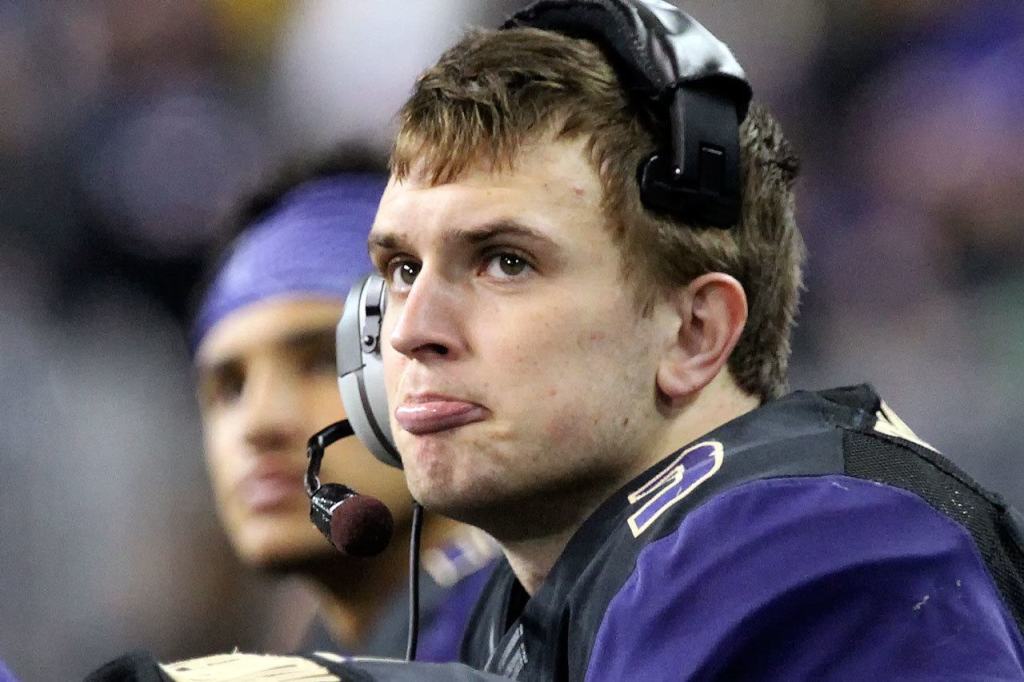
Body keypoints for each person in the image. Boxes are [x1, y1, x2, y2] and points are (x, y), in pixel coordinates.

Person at [87, 1, 1024, 679]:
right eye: (400, 271)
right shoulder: (487, 604)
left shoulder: (820, 546)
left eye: (503, 262)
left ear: (694, 332)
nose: (411, 332)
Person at [188, 154, 496, 659]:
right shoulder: (334, 648)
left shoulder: (543, 634)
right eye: (230, 387)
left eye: (321, 362)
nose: (259, 424)